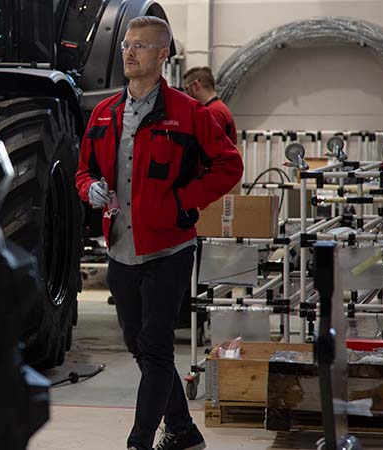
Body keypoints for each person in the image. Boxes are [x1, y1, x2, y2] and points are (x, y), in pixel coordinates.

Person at [75, 16, 242, 450]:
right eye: (126, 45)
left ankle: (139, 442)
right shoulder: (104, 113)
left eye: (141, 46)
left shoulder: (189, 113)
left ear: (163, 54)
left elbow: (230, 165)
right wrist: (89, 189)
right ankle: (183, 431)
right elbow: (83, 170)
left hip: (169, 249)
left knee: (154, 347)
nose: (129, 52)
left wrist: (185, 200)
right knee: (138, 343)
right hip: (120, 248)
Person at [183, 66, 237, 144]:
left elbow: (211, 147)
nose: (186, 94)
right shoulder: (218, 108)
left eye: (187, 89)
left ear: (196, 85)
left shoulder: (213, 112)